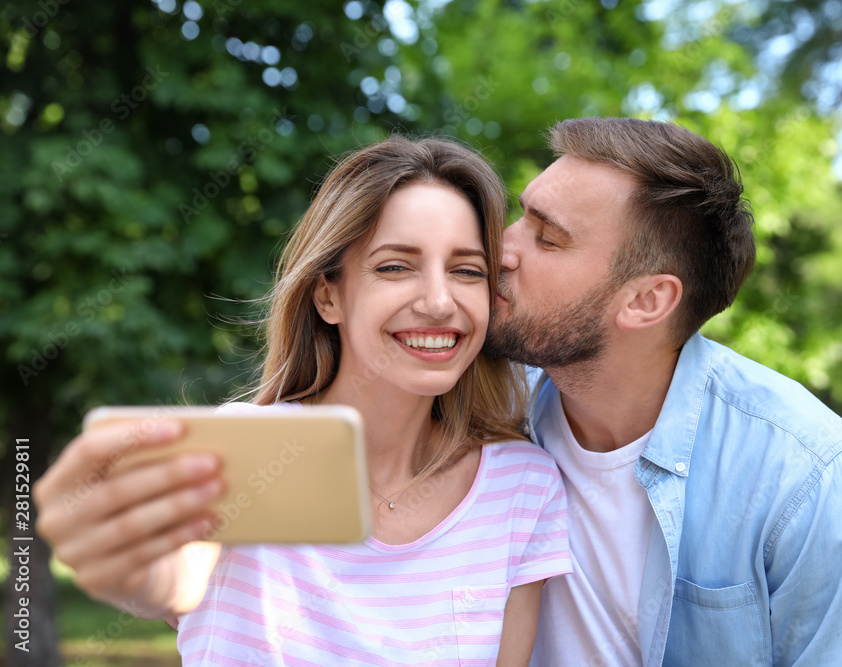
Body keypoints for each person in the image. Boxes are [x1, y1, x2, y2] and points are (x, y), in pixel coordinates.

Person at [33, 136, 572, 665]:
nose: (438, 301)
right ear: (328, 296)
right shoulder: (242, 447)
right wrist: (135, 570)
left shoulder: (521, 486)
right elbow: (169, 586)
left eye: (467, 271)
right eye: (394, 266)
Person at [483, 117, 842, 666]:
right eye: (519, 216)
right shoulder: (484, 412)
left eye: (548, 237)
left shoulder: (808, 479)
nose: (499, 249)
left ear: (647, 301)